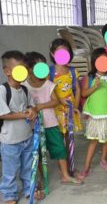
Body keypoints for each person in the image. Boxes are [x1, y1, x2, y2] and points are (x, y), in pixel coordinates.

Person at [24, 52, 82, 186]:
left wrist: (40, 106)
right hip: (33, 127)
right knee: (37, 152)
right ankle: (43, 177)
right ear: (29, 69)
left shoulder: (48, 84)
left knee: (60, 148)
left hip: (51, 123)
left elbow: (55, 101)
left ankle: (65, 175)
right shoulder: (25, 86)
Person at [0, 51, 37, 204]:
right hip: (10, 141)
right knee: (10, 171)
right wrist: (24, 114)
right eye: (18, 69)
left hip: (26, 136)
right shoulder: (2, 91)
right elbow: (3, 114)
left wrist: (32, 110)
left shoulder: (25, 90)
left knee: (27, 166)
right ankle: (9, 195)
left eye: (24, 68)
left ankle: (30, 188)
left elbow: (31, 105)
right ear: (7, 71)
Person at [79, 48, 107, 177]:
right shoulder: (90, 77)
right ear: (94, 62)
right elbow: (84, 93)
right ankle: (86, 167)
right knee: (93, 140)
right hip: (96, 115)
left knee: (106, 139)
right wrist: (94, 87)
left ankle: (103, 159)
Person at [49, 38, 82, 137]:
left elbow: (78, 89)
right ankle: (61, 152)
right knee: (57, 135)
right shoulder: (49, 72)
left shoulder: (72, 71)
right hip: (55, 110)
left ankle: (68, 152)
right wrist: (59, 100)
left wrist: (75, 106)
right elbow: (48, 90)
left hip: (70, 109)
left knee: (68, 134)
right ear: (52, 54)